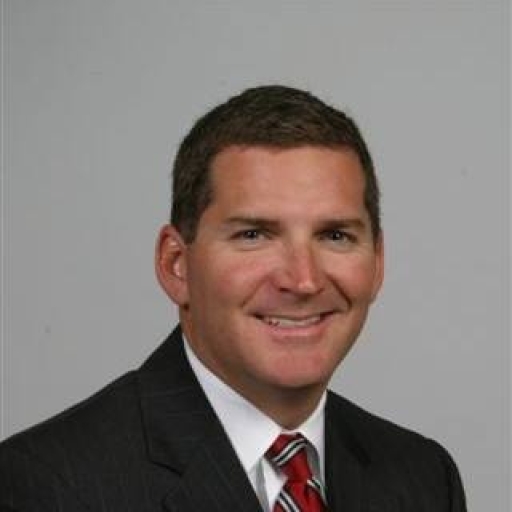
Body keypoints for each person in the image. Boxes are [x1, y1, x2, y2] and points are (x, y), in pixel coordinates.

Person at [0, 85, 467, 511]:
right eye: (253, 235)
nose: (303, 280)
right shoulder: (45, 487)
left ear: (378, 263)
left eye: (335, 236)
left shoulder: (424, 479)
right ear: (176, 264)